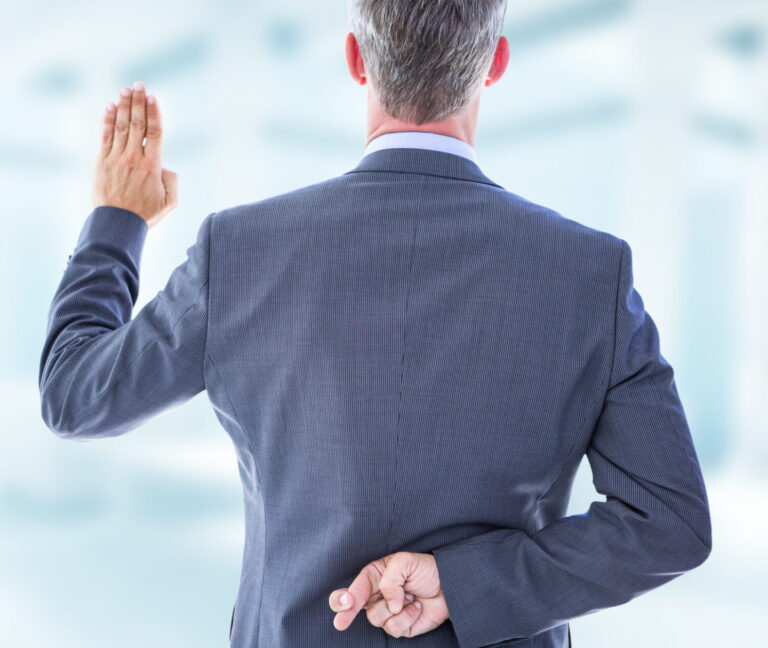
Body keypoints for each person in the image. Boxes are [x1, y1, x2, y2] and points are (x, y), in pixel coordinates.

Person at [38, 1, 712, 646]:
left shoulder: (240, 250)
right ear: (496, 62)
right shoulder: (591, 274)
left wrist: (116, 224)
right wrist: (464, 584)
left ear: (356, 58)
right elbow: (669, 522)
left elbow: (74, 394)